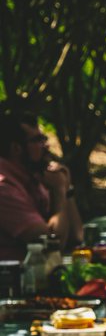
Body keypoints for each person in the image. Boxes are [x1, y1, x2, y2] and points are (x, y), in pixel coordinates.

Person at [0, 112, 83, 261]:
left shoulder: (35, 176)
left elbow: (76, 237)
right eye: (38, 140)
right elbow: (52, 245)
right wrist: (58, 190)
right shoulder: (4, 188)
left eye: (44, 138)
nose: (46, 146)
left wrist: (66, 188)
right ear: (16, 148)